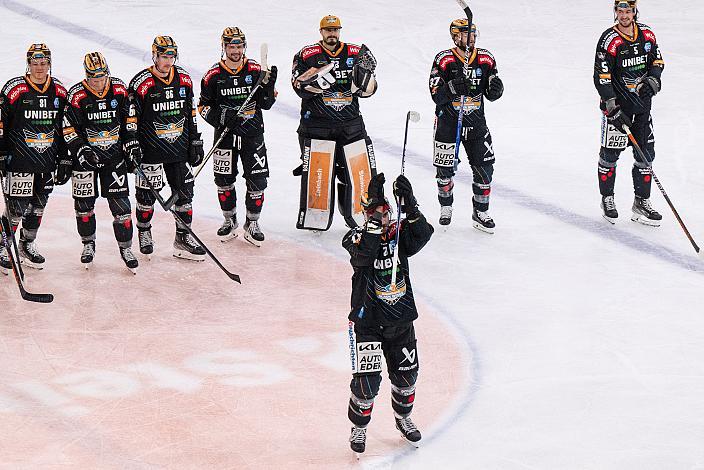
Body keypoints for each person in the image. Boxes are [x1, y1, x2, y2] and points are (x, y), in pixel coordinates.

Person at [342, 172, 434, 454]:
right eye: (376, 213)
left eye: (387, 212)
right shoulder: (355, 236)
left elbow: (423, 235)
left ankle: (404, 419)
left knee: (407, 377)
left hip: (400, 320)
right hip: (367, 321)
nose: (384, 217)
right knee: (366, 383)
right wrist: (373, 223)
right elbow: (362, 256)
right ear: (366, 214)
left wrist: (412, 206)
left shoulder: (399, 236)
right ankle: (358, 427)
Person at [291, 15, 379, 231]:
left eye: (335, 30)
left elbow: (371, 89)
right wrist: (312, 83)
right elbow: (297, 86)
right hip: (316, 126)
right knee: (320, 174)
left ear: (340, 31)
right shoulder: (306, 54)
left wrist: (366, 83)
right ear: (321, 32)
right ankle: (316, 218)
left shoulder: (355, 53)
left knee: (359, 174)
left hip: (351, 125)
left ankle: (358, 216)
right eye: (328, 30)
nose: (332, 34)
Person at [127, 36, 206, 260]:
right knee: (146, 196)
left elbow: (190, 114)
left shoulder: (184, 79)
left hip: (178, 148)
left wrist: (195, 141)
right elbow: (131, 118)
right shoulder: (142, 83)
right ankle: (144, 232)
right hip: (149, 149)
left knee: (185, 193)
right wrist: (132, 143)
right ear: (155, 55)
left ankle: (182, 239)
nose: (168, 61)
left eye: (171, 56)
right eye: (164, 56)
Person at [198, 27, 277, 246]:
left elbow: (266, 104)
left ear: (244, 46)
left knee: (258, 180)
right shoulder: (213, 75)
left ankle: (252, 223)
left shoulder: (255, 70)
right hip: (225, 136)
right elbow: (203, 107)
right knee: (224, 180)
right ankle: (229, 220)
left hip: (253, 134)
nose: (235, 50)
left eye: (239, 46)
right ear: (223, 47)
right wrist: (223, 116)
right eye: (231, 46)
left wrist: (269, 88)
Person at [63, 52, 139, 272]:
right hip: (85, 160)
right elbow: (68, 128)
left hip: (113, 158)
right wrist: (81, 149)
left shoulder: (119, 90)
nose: (98, 82)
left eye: (101, 77)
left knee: (121, 206)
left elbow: (130, 120)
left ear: (108, 73)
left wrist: (132, 143)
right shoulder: (77, 95)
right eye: (93, 78)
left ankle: (126, 248)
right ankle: (88, 245)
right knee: (84, 206)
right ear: (86, 76)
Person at [429, 19, 503, 233]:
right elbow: (436, 95)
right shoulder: (444, 59)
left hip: (477, 124)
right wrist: (452, 87)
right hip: (447, 124)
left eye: (473, 33)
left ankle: (480, 212)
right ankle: (446, 206)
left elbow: (490, 92)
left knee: (485, 168)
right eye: (466, 34)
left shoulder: (486, 58)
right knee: (444, 171)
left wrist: (496, 90)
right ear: (455, 36)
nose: (472, 37)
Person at [594, 0, 665, 225]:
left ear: (635, 11)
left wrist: (654, 77)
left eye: (628, 11)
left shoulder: (647, 34)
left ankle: (641, 203)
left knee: (646, 155)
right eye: (620, 11)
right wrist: (612, 108)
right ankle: (607, 198)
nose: (624, 15)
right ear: (615, 11)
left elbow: (658, 60)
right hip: (617, 110)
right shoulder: (609, 40)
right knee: (610, 155)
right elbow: (602, 77)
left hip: (643, 108)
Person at [0, 43, 68, 272]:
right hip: (19, 159)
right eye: (35, 63)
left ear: (49, 63)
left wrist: (64, 158)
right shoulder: (14, 88)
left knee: (38, 206)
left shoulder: (59, 90)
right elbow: (1, 122)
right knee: (16, 207)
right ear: (28, 64)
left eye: (43, 63)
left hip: (47, 161)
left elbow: (65, 127)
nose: (39, 67)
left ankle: (26, 245)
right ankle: (3, 245)